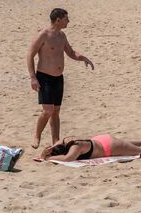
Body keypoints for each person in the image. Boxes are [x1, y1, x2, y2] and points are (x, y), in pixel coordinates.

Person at [27, 8, 95, 149]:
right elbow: (30, 55)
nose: (68, 21)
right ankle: (37, 135)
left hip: (58, 78)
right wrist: (33, 78)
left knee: (56, 111)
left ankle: (55, 141)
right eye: (66, 18)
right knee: (48, 111)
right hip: (44, 77)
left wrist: (83, 58)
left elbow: (70, 52)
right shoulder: (43, 35)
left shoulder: (62, 36)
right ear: (58, 20)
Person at [41, 136, 141, 162]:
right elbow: (51, 148)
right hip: (100, 139)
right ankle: (136, 141)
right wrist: (45, 153)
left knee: (140, 150)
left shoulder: (76, 147)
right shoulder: (64, 140)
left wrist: (49, 158)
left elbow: (68, 158)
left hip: (109, 147)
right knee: (130, 146)